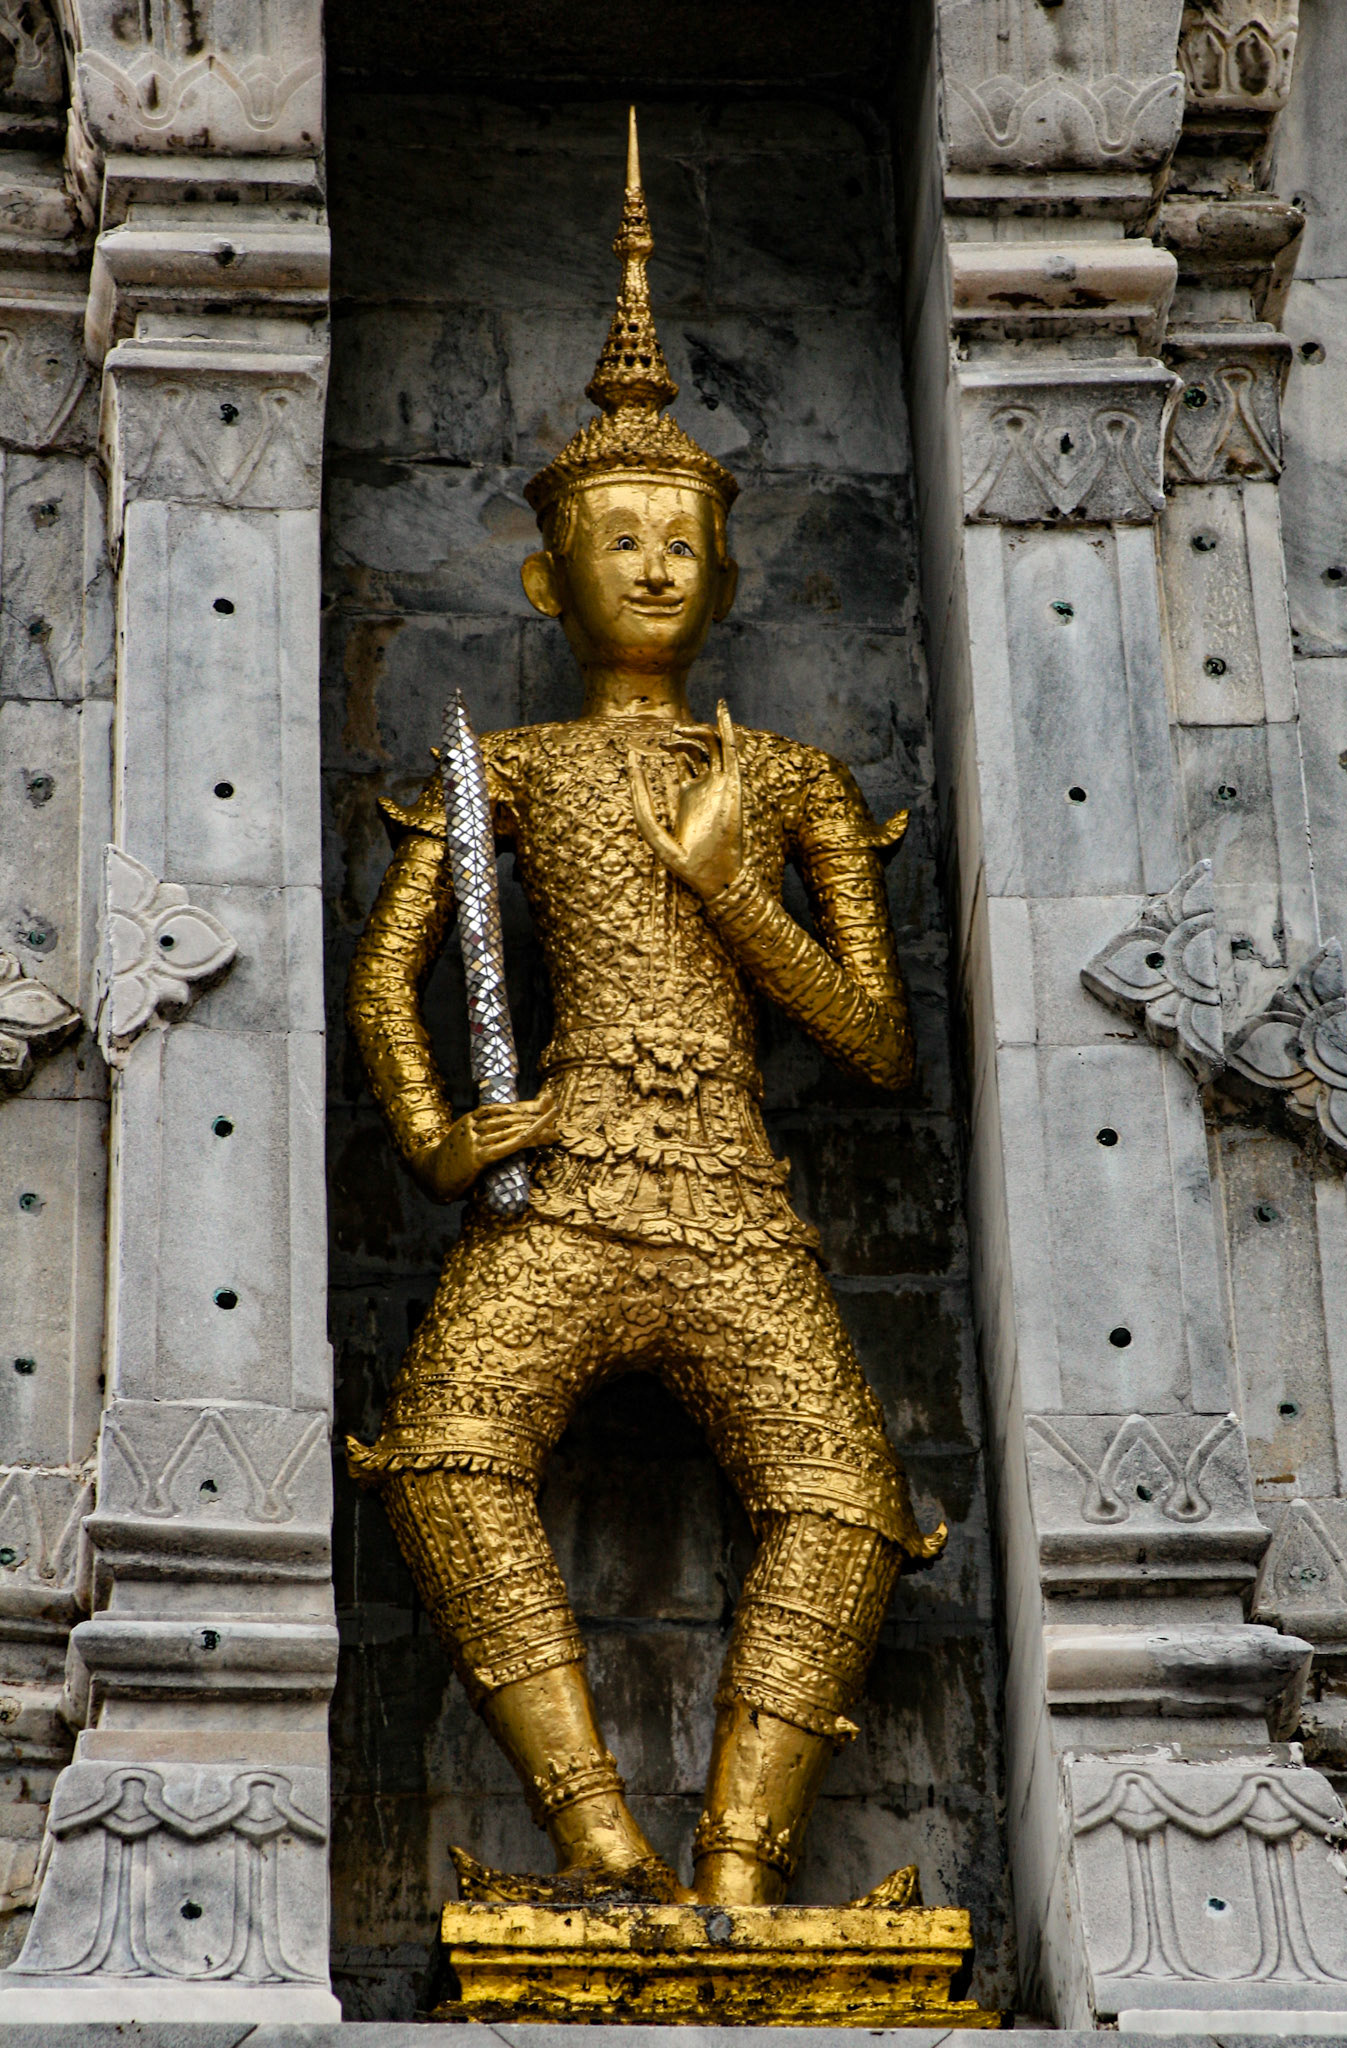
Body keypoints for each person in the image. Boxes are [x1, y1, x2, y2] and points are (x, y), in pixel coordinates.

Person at [345, 110, 945, 1907]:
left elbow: (874, 1043)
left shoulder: (790, 780)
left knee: (843, 1503)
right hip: (565, 1171)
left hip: (733, 1194)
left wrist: (725, 888)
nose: (658, 565)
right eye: (619, 535)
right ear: (552, 573)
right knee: (448, 1455)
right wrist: (450, 1137)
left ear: (728, 563)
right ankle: (596, 1831)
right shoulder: (506, 773)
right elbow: (397, 975)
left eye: (683, 533)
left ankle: (742, 1863)